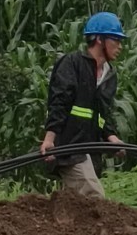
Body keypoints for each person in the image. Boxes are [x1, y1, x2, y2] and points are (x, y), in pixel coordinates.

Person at [39, 12, 126, 198]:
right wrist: (49, 139)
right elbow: (59, 103)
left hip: (90, 151)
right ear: (100, 39)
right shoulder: (72, 64)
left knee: (77, 207)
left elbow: (104, 113)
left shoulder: (109, 75)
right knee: (95, 199)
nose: (120, 46)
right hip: (70, 148)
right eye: (116, 40)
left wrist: (112, 138)